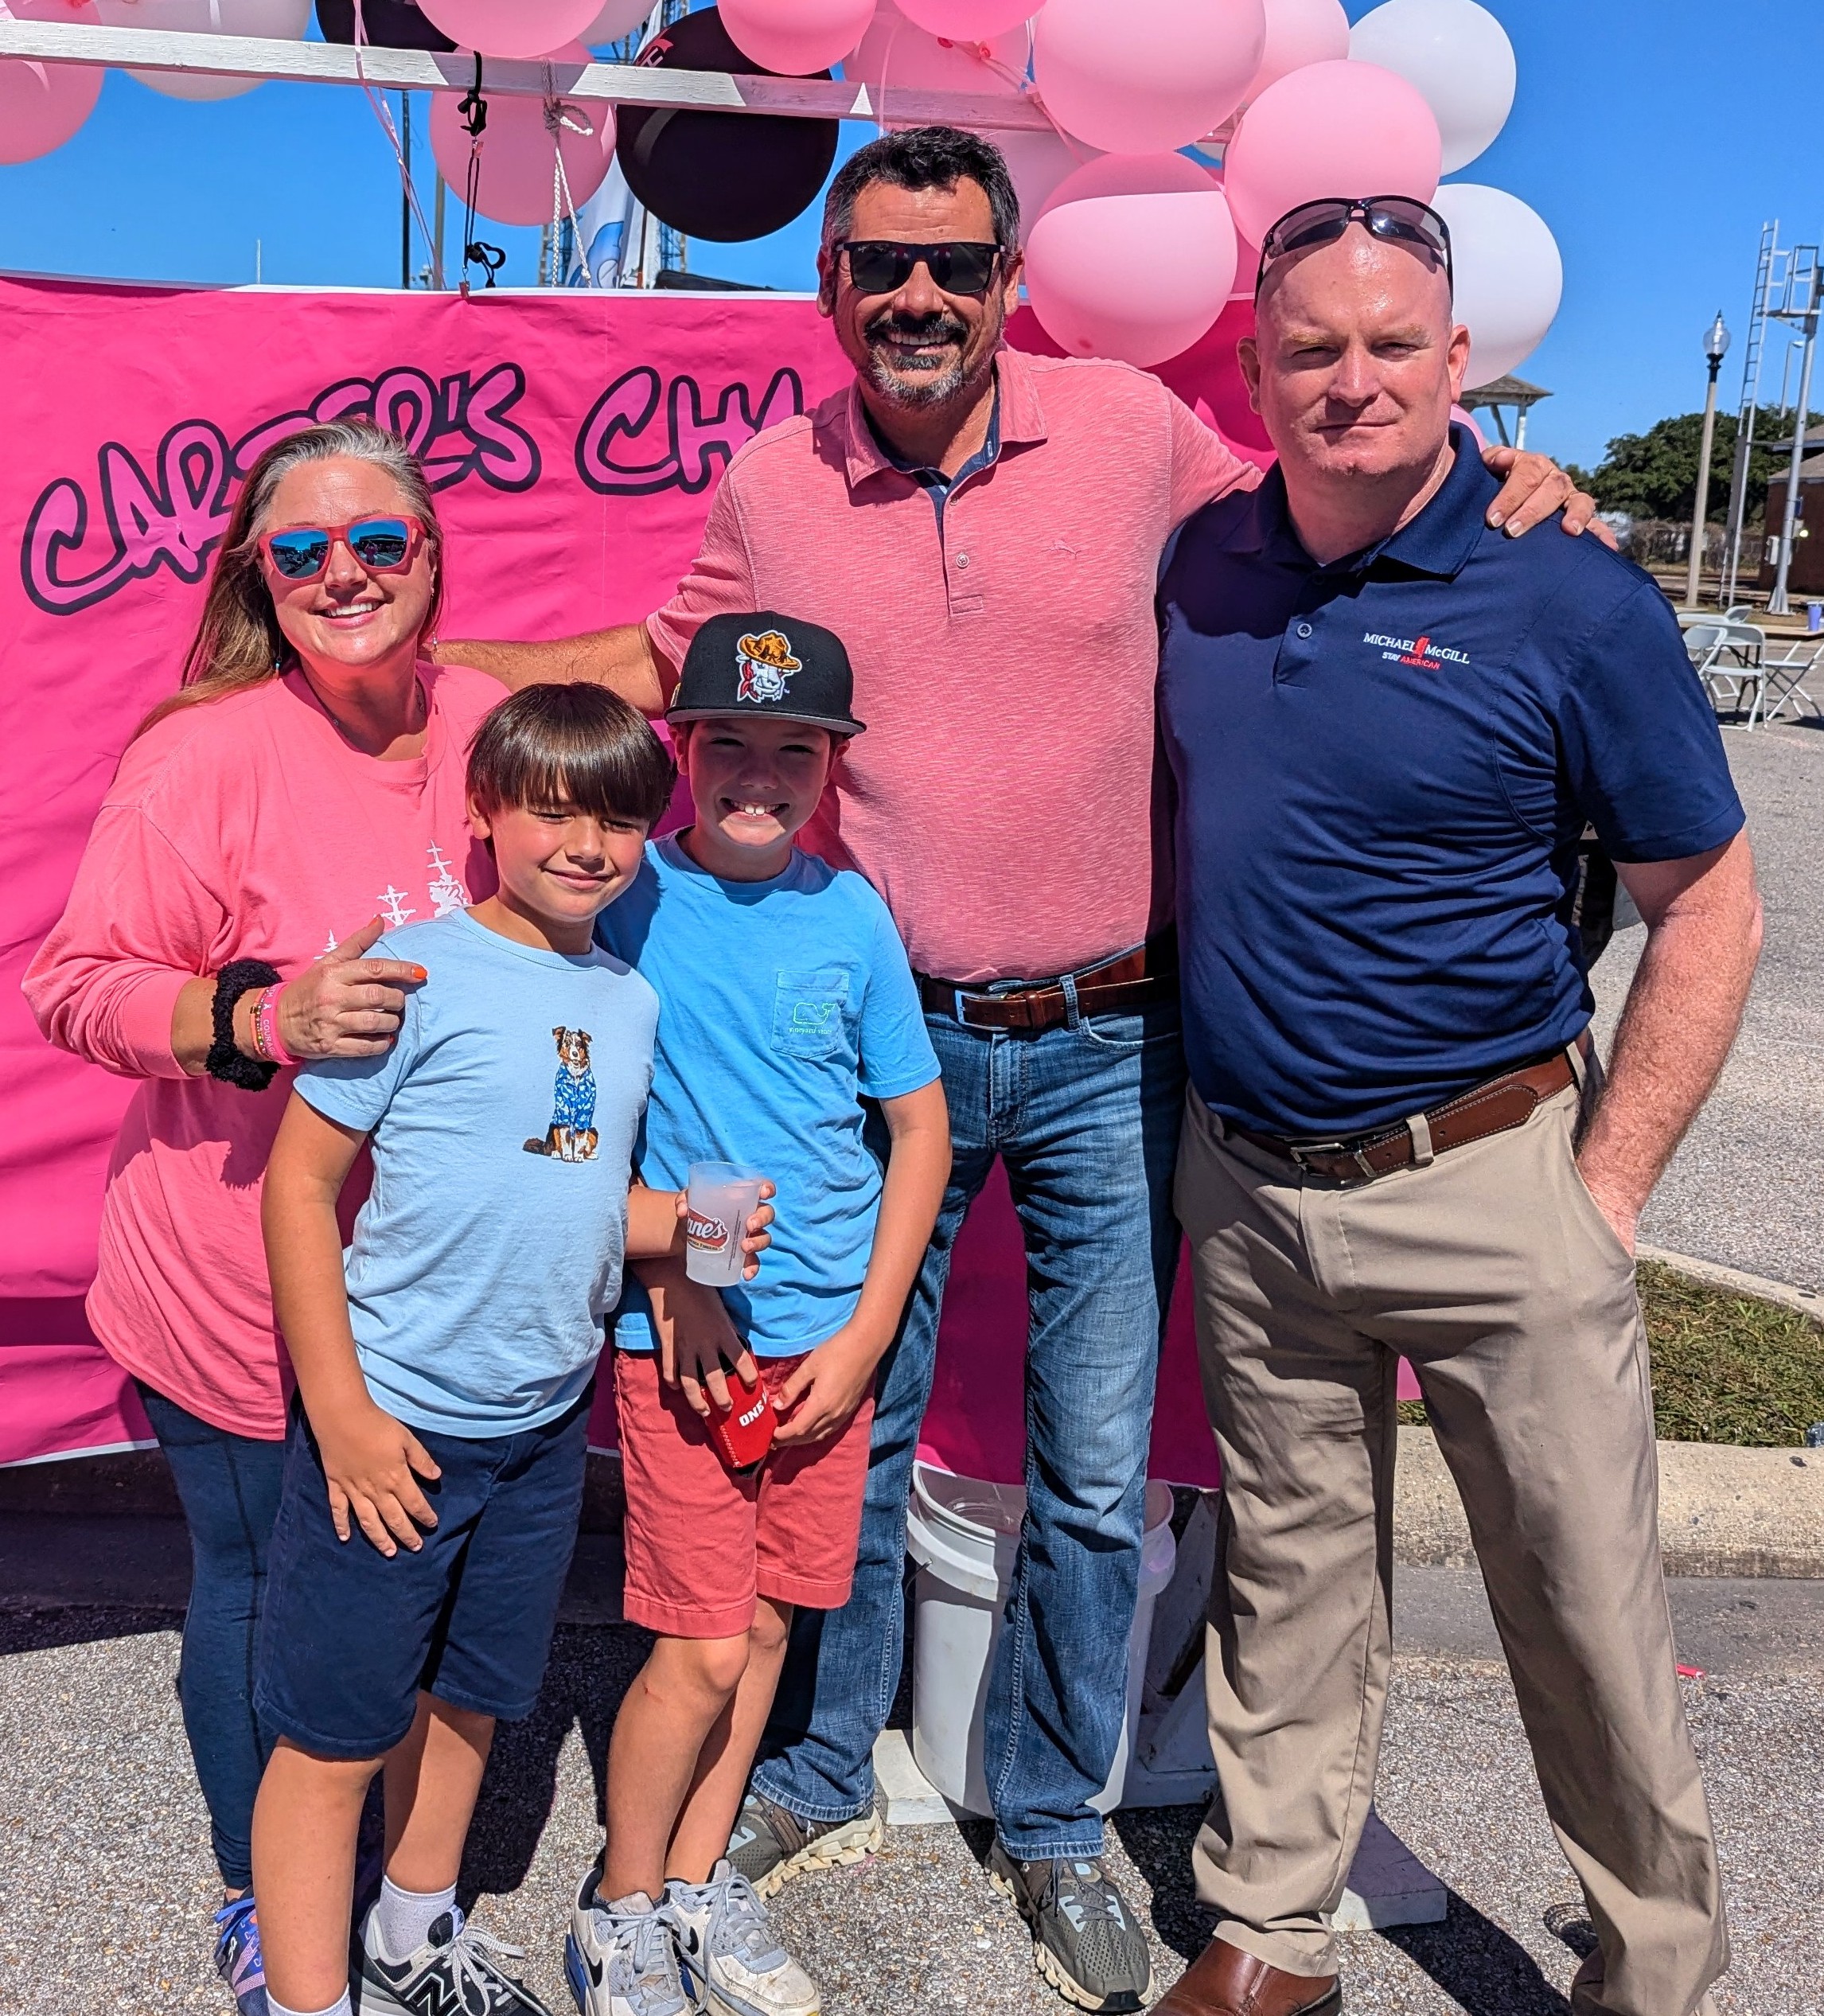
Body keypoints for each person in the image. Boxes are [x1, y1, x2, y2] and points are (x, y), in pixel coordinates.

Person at [439, 129, 1601, 2012]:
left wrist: (1505, 483)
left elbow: (1332, 499)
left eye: (955, 265)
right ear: (831, 287)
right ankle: (813, 1770)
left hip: (1114, 1037)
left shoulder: (1137, 433)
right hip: (884, 1047)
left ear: (1007, 280)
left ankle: (1056, 1818)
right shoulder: (769, 481)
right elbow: (654, 664)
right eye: (881, 265)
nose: (918, 297)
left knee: (1088, 1464)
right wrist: (419, 667)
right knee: (850, 1424)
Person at [1154, 197, 1761, 2016]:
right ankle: (1272, 1932)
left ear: (1459, 365)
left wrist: (1611, 1185)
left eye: (1391, 345)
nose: (1352, 380)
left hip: (1491, 1175)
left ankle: (1653, 1967)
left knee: (1582, 1610)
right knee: (1288, 1584)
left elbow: (1709, 900)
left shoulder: (1565, 589)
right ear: (1256, 368)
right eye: (1313, 348)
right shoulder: (1199, 567)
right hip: (1253, 1187)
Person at [24, 420, 511, 2016]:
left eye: (379, 539)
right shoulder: (208, 754)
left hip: (439, 1285)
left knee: (414, 1588)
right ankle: (263, 1900)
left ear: (433, 548)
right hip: (231, 1271)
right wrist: (255, 1014)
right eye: (302, 551)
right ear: (259, 576)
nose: (346, 574)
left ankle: (403, 1899)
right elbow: (74, 986)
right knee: (259, 1583)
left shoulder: (495, 727)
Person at [250, 684, 746, 2016]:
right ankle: (307, 2000)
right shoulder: (416, 973)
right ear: (483, 812)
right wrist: (343, 1414)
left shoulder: (627, 1002)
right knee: (333, 1737)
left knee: (469, 1700)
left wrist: (700, 1236)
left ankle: (414, 1933)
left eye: (621, 820)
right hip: (397, 1427)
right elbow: (297, 1188)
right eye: (554, 810)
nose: (587, 844)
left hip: (538, 1431)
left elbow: (577, 1188)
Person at [567, 611, 950, 2016]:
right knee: (701, 1641)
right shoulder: (629, 903)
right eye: (730, 738)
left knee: (774, 1628)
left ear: (831, 769)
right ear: (681, 745)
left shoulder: (850, 912)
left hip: (821, 1351)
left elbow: (915, 1128)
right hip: (686, 1345)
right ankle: (620, 1905)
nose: (761, 772)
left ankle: (696, 1876)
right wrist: (674, 1277)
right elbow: (591, 1135)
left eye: (797, 749)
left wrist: (863, 1337)